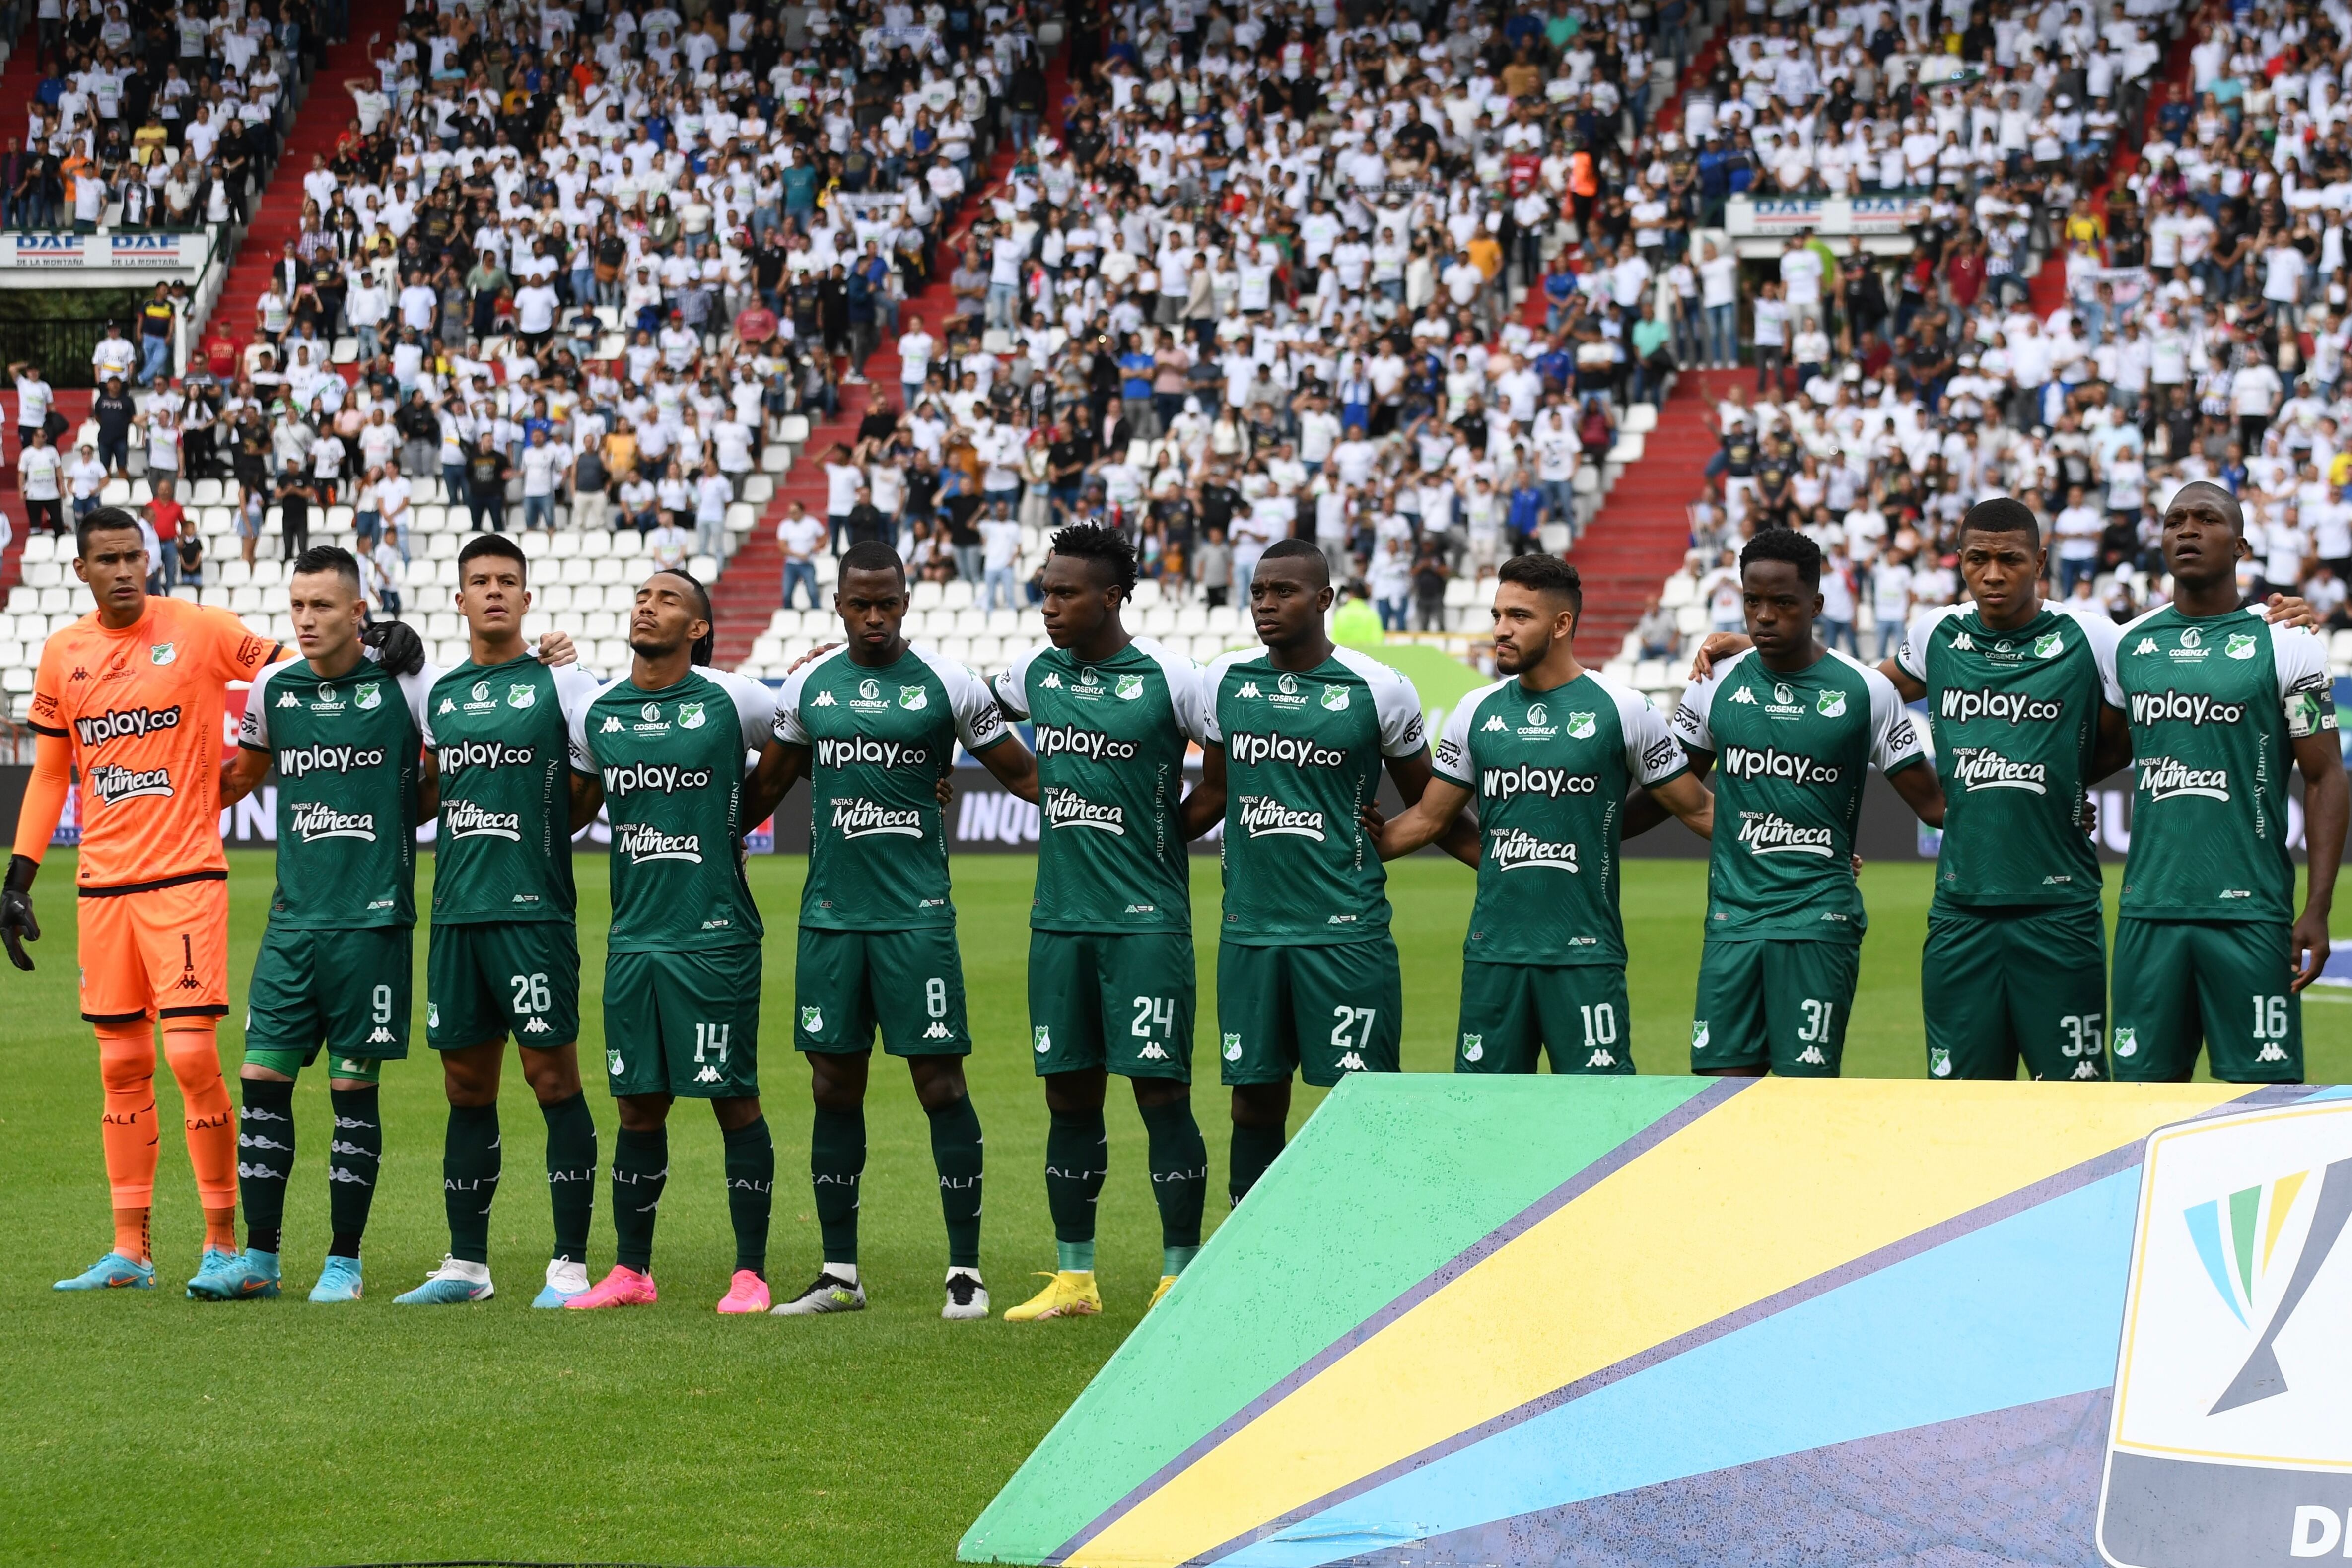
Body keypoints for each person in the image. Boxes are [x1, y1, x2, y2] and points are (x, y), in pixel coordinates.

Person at [757, 541, 1039, 1319]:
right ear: (839, 605)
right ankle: (839, 1272)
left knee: (940, 1084)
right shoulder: (809, 683)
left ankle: (967, 1272)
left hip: (916, 919)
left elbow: (1023, 775)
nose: (874, 616)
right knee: (831, 1086)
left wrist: (1109, 807)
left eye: (887, 602)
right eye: (860, 603)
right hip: (830, 920)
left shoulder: (948, 683)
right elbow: (761, 790)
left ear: (907, 600)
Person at [5, 508, 284, 1293]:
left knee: (191, 1055)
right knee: (122, 1063)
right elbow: (53, 773)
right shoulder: (65, 652)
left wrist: (252, 761)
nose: (126, 570)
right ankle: (130, 1250)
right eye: (109, 559)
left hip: (186, 877)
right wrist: (17, 879)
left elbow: (288, 674)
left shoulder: (198, 628)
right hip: (102, 888)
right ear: (82, 570)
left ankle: (223, 1243)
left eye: (137, 556)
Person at [988, 523, 1215, 1321]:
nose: (1048, 606)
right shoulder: (1032, 673)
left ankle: (1179, 1272)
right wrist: (1013, 783)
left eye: (1065, 592)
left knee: (1161, 1092)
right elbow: (965, 711)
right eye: (1044, 590)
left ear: (1112, 596)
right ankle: (1074, 1279)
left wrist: (1166, 833)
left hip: (1145, 922)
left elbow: (1221, 767)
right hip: (1058, 922)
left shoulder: (1170, 677)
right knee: (1068, 1099)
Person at [1368, 555, 1714, 1072]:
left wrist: (1812, 852)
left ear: (1561, 624)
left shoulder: (1622, 708)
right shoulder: (1475, 710)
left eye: (1519, 617)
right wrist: (1345, 854)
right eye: (1497, 615)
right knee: (1486, 1119)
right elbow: (1428, 819)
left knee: (1599, 1121)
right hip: (1493, 954)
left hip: (1585, 955)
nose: (1501, 630)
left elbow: (1698, 809)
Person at [1184, 539, 1448, 1205]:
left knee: (1358, 1101)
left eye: (1284, 591)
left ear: (1324, 599)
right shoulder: (1226, 680)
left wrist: (1385, 842)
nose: (1266, 604)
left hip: (1345, 929)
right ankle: (1253, 1252)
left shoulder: (1377, 687)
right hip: (1251, 930)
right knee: (1253, 1103)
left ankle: (1366, 1255)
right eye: (1258, 591)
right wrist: (1138, 833)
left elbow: (1430, 799)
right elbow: (1213, 793)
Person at [205, 548, 436, 1302]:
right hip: (291, 923)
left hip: (370, 924)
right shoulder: (274, 687)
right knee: (262, 1078)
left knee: (350, 1087)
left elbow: (447, 765)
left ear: (358, 612)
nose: (306, 619)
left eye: (323, 606)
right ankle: (262, 1261)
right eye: (298, 604)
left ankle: (344, 1261)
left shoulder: (405, 681)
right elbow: (242, 774)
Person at [395, 534, 607, 1308]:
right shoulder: (441, 695)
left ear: (526, 598)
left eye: (506, 581)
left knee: (552, 1077)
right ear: (459, 598)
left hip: (532, 912)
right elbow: (421, 793)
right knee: (464, 1084)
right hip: (456, 912)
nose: (493, 591)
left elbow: (586, 796)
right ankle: (467, 1264)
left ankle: (570, 1265)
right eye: (479, 581)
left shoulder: (560, 684)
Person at [562, 570, 780, 1313]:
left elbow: (809, 732)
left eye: (667, 600)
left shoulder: (733, 697)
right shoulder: (600, 711)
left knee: (732, 1098)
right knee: (637, 1106)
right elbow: (573, 804)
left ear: (696, 628)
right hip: (633, 938)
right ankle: (631, 1271)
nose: (647, 605)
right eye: (641, 596)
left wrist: (742, 815)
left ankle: (750, 1273)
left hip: (714, 934)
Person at [1667, 529, 1944, 1076]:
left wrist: (2052, 808)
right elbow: (1668, 788)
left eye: (1783, 603)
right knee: (1714, 1102)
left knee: (1803, 1097)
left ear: (1816, 605)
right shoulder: (1712, 681)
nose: (1765, 616)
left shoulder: (1866, 691)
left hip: (1820, 920)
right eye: (1753, 602)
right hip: (1732, 922)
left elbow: (1935, 808)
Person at [2109, 481, 2348, 1084]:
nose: (2186, 530)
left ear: (2239, 545)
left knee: (2263, 1111)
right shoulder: (2129, 644)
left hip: (2252, 913)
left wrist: (2317, 907)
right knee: (2134, 1114)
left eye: (2205, 519)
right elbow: (2088, 758)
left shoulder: (2287, 640)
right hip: (2148, 912)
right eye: (2174, 521)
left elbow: (2324, 777)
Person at [777, 501, 825, 609]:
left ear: (802, 512)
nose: (792, 515)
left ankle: (816, 613)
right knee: (787, 593)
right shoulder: (785, 525)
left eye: (795, 512)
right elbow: (782, 546)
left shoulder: (812, 523)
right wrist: (798, 555)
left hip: (807, 562)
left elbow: (823, 537)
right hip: (791, 563)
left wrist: (816, 547)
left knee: (812, 592)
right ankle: (789, 614)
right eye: (790, 513)